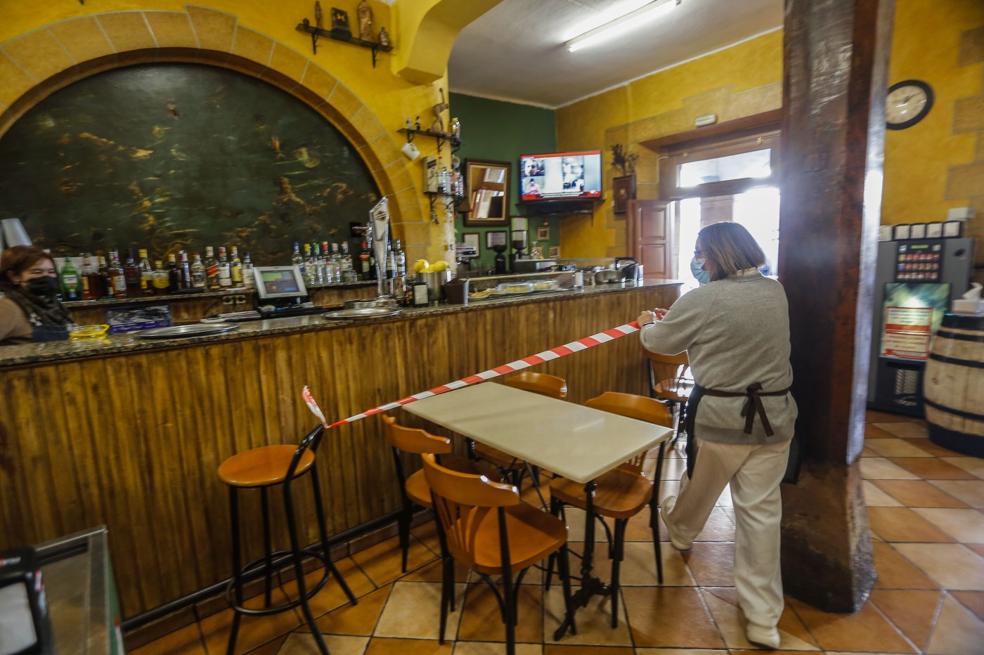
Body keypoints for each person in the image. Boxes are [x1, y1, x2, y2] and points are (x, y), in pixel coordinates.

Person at [637, 222, 796, 650]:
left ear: (717, 255)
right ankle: (763, 620)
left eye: (700, 253)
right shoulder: (775, 291)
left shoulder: (703, 298)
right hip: (775, 419)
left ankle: (683, 530)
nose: (697, 262)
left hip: (723, 419)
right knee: (761, 516)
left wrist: (644, 324)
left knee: (702, 486)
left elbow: (662, 341)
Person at [0, 245, 73, 345]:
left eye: (51, 272)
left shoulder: (56, 306)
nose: (46, 277)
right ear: (14, 276)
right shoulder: (8, 307)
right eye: (37, 272)